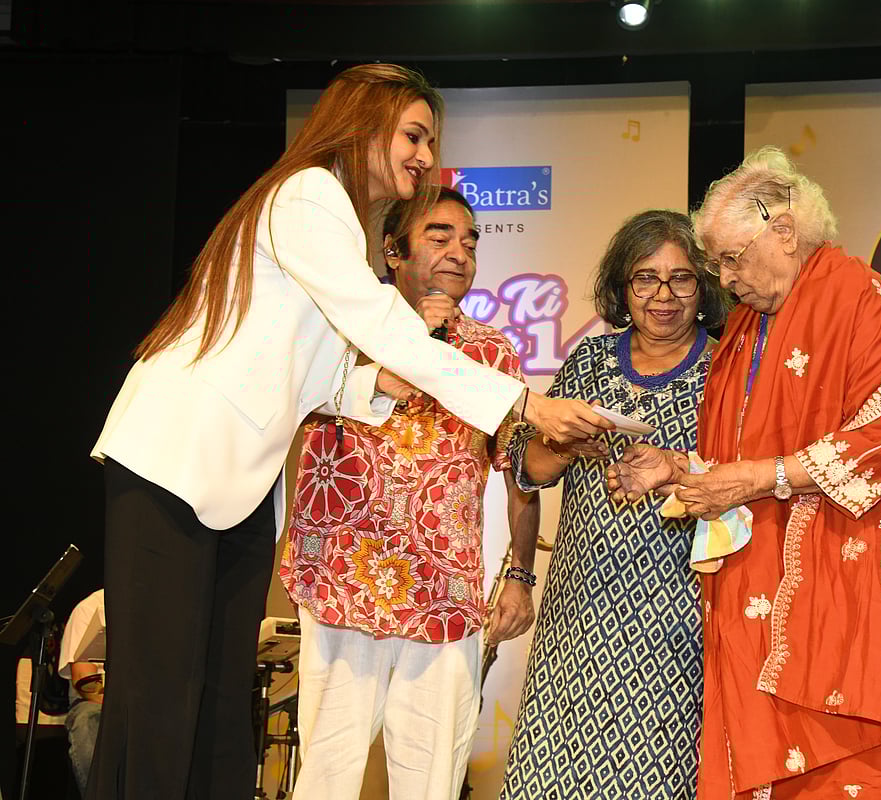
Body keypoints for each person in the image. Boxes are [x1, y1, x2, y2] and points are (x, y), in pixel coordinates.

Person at [87, 64, 609, 800]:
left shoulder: (336, 218)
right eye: (414, 135)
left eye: (432, 140)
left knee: (217, 702)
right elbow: (371, 319)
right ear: (365, 126)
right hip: (173, 462)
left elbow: (310, 370)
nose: (426, 156)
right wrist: (522, 403)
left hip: (236, 489)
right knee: (161, 697)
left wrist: (373, 383)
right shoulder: (307, 195)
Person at [607, 147, 881, 800]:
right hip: (774, 580)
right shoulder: (748, 326)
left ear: (783, 230)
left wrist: (754, 479)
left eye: (731, 257)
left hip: (867, 574)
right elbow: (743, 459)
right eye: (716, 262)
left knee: (874, 772)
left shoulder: (863, 295)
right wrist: (678, 468)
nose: (723, 278)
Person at [279, 186, 541, 799]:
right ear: (392, 253)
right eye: (439, 235)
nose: (460, 251)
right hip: (344, 583)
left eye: (470, 240)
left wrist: (520, 575)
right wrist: (406, 338)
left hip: (443, 596)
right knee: (325, 777)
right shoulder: (339, 331)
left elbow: (517, 474)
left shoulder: (492, 351)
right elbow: (288, 407)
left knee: (431, 785)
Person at [501, 210, 729, 799]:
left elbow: (742, 483)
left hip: (678, 625)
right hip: (576, 622)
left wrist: (674, 468)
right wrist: (566, 444)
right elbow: (527, 470)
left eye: (681, 279)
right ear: (621, 287)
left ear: (703, 286)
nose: (662, 295)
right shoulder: (589, 360)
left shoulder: (726, 369)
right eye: (645, 278)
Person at [57, 590, 106, 795]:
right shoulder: (91, 607)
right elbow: (84, 681)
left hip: (150, 702)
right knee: (87, 720)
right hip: (97, 701)